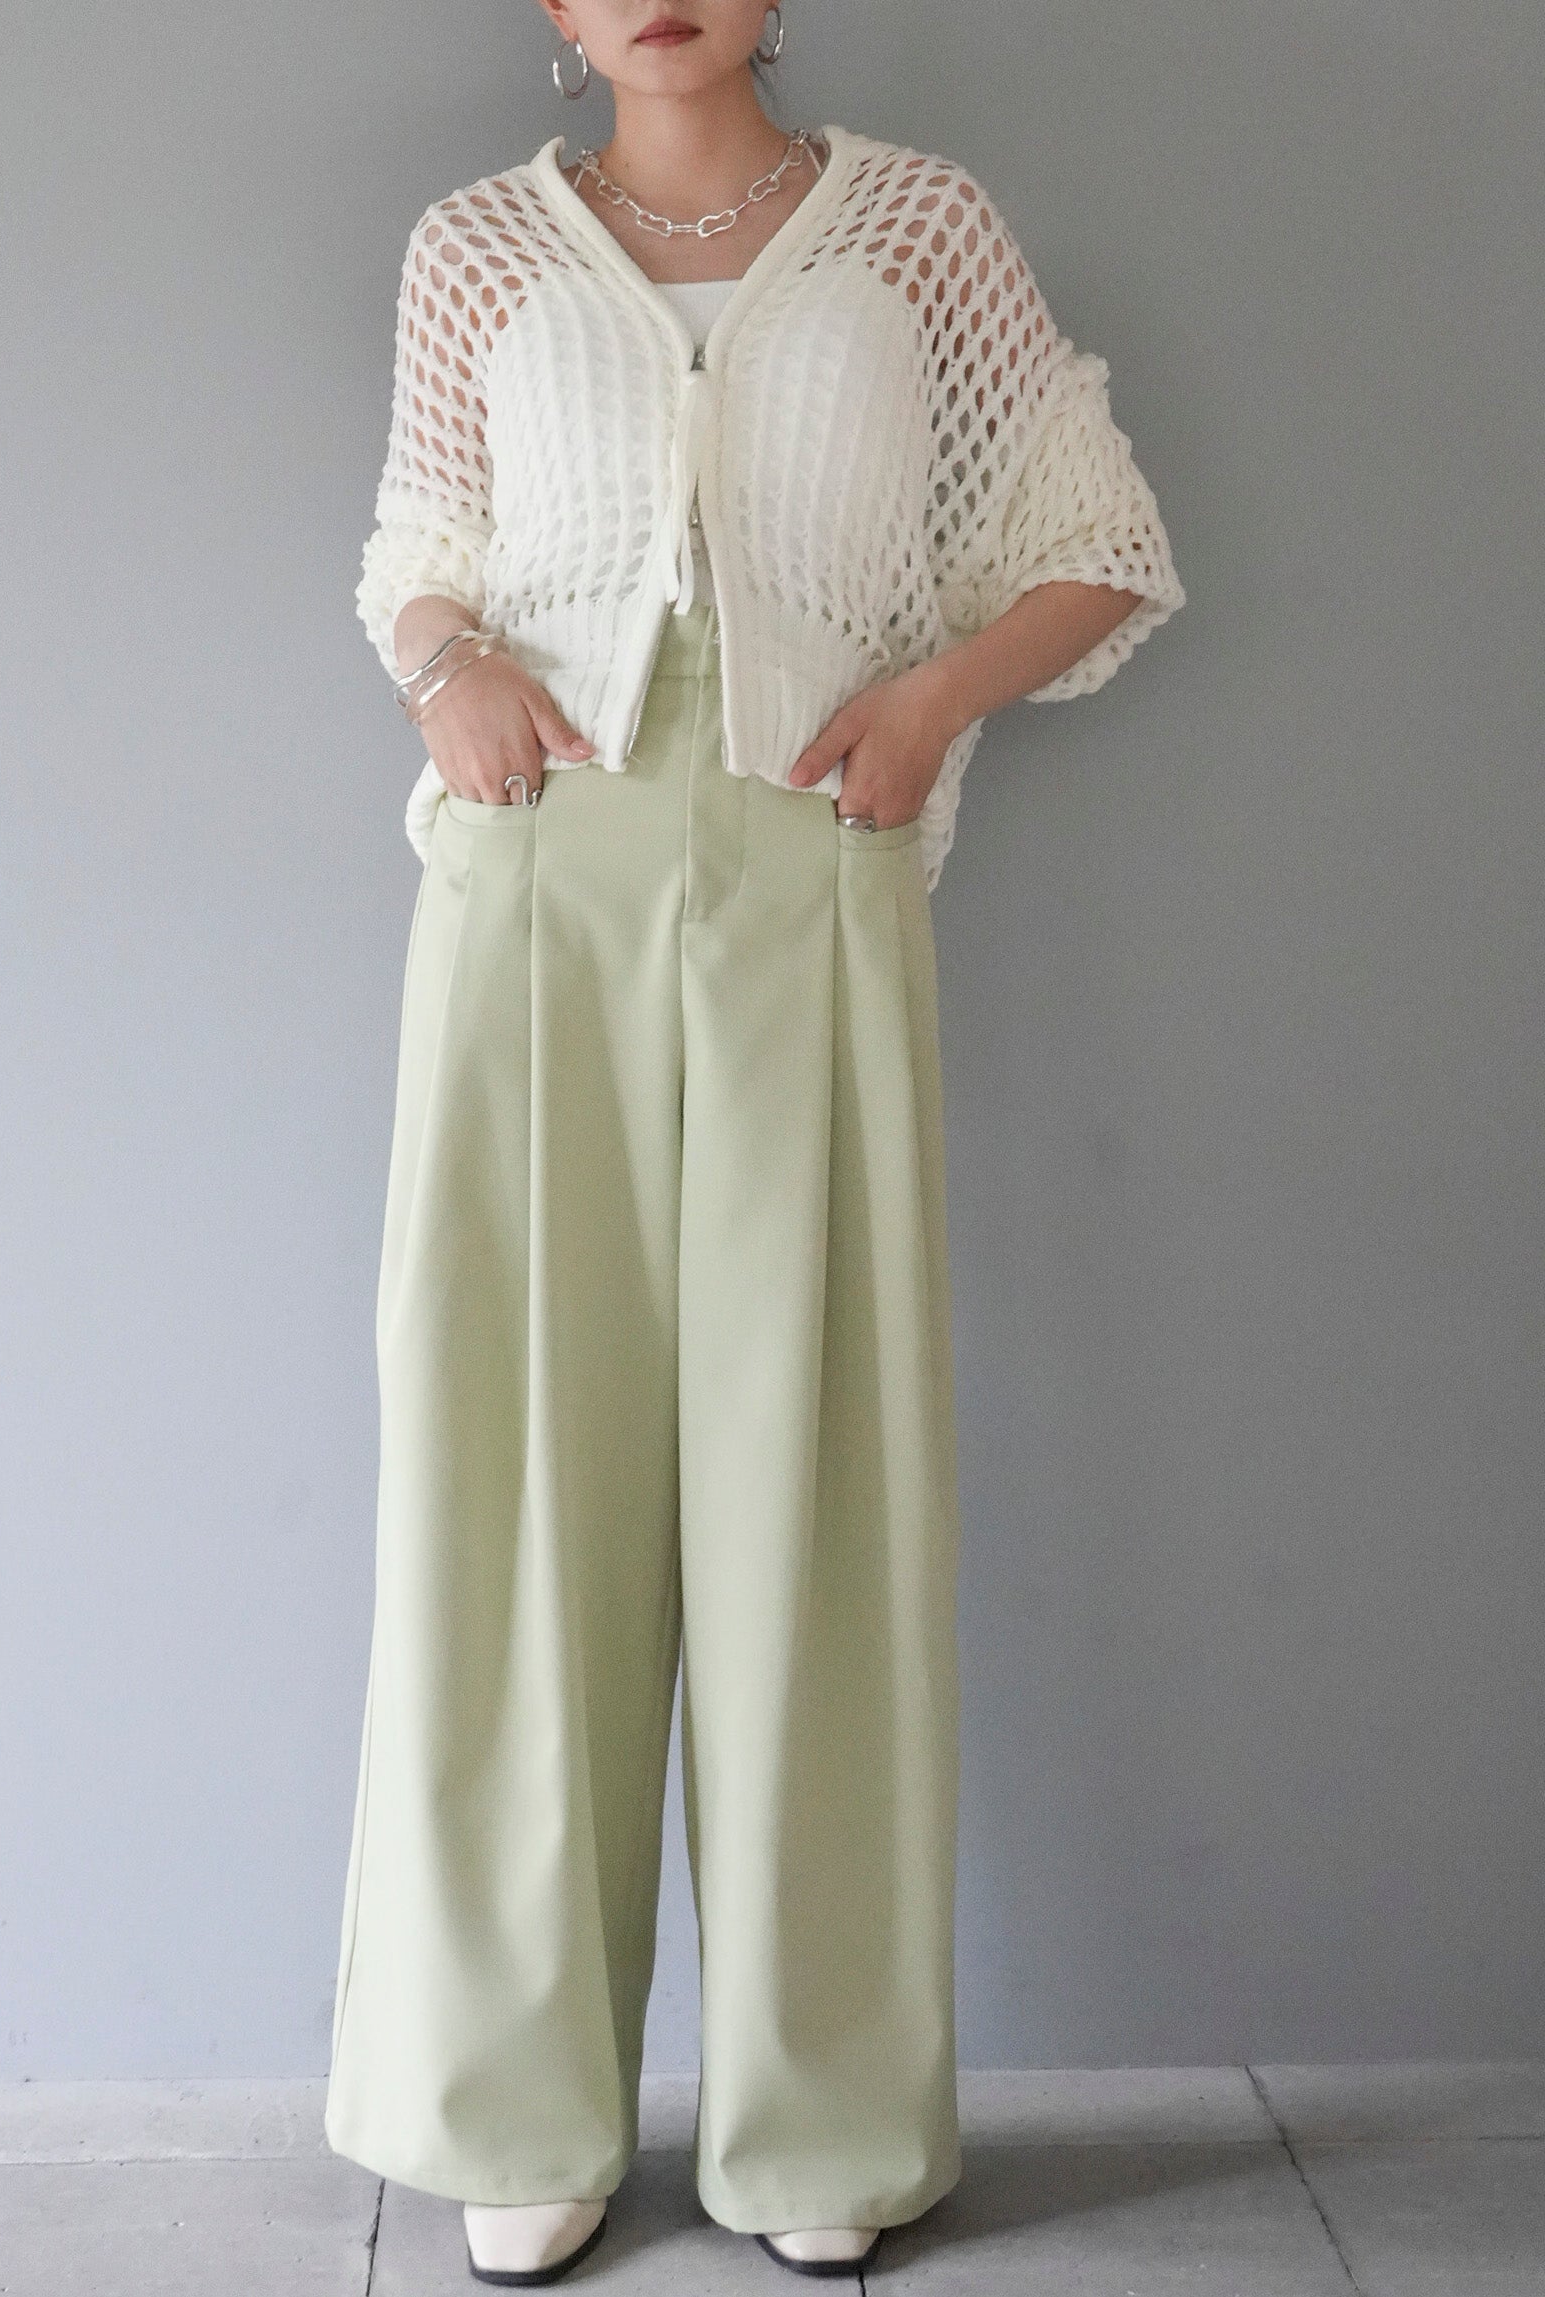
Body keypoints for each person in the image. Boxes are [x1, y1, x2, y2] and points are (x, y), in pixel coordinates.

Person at [324, 2, 1186, 2283]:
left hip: (818, 846)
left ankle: (823, 2123)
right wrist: (444, 666)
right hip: (540, 862)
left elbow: (1099, 537)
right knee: (520, 1467)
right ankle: (513, 2103)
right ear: (550, 9)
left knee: (820, 1475)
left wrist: (928, 703)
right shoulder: (476, 251)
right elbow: (416, 541)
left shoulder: (916, 233)